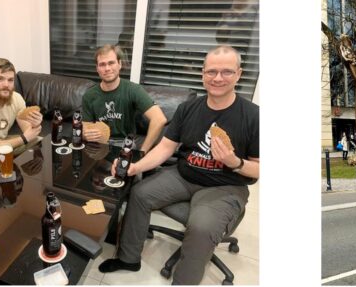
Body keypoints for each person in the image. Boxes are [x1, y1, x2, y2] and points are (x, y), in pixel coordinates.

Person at [97, 45, 259, 285]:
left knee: (201, 228)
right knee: (139, 193)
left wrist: (234, 162)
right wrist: (134, 168)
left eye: (226, 72)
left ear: (239, 74)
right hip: (183, 176)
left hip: (225, 186)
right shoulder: (188, 109)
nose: (217, 78)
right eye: (211, 71)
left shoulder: (254, 116)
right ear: (203, 73)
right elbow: (165, 148)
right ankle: (129, 259)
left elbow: (259, 168)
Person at [82, 45, 168, 152]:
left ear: (120, 64)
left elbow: (159, 119)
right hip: (99, 144)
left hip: (124, 144)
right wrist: (86, 135)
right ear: (97, 69)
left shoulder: (133, 90)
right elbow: (85, 129)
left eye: (111, 63)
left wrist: (142, 152)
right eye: (102, 64)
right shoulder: (89, 95)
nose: (107, 68)